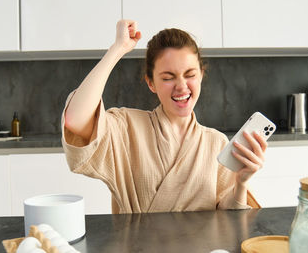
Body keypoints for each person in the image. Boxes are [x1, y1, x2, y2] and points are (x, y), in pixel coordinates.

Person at [61, 20, 268, 213]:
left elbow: (227, 216)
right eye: (168, 77)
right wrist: (117, 49)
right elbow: (76, 119)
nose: (181, 86)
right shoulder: (126, 127)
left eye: (190, 75)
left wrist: (241, 183)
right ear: (151, 83)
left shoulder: (216, 143)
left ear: (201, 76)